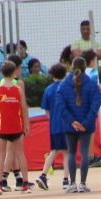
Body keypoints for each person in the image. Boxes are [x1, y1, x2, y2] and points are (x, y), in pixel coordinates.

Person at [51, 57, 101, 193]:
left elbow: (60, 104)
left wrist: (71, 121)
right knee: (85, 152)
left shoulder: (63, 85)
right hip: (86, 124)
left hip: (70, 125)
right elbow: (96, 103)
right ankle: (83, 183)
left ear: (72, 67)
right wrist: (86, 122)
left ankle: (72, 183)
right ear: (85, 67)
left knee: (71, 152)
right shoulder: (91, 84)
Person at [0, 60, 30, 195]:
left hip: (2, 127)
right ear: (14, 73)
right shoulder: (18, 89)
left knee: (1, 154)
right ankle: (25, 184)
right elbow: (24, 108)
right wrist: (26, 125)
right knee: (20, 154)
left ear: (1, 73)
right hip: (16, 126)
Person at [39, 61, 71, 190]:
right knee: (67, 152)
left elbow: (46, 111)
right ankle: (65, 180)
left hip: (54, 126)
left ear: (52, 75)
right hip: (67, 125)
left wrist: (53, 120)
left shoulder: (48, 89)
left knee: (54, 151)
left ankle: (43, 175)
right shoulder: (67, 88)